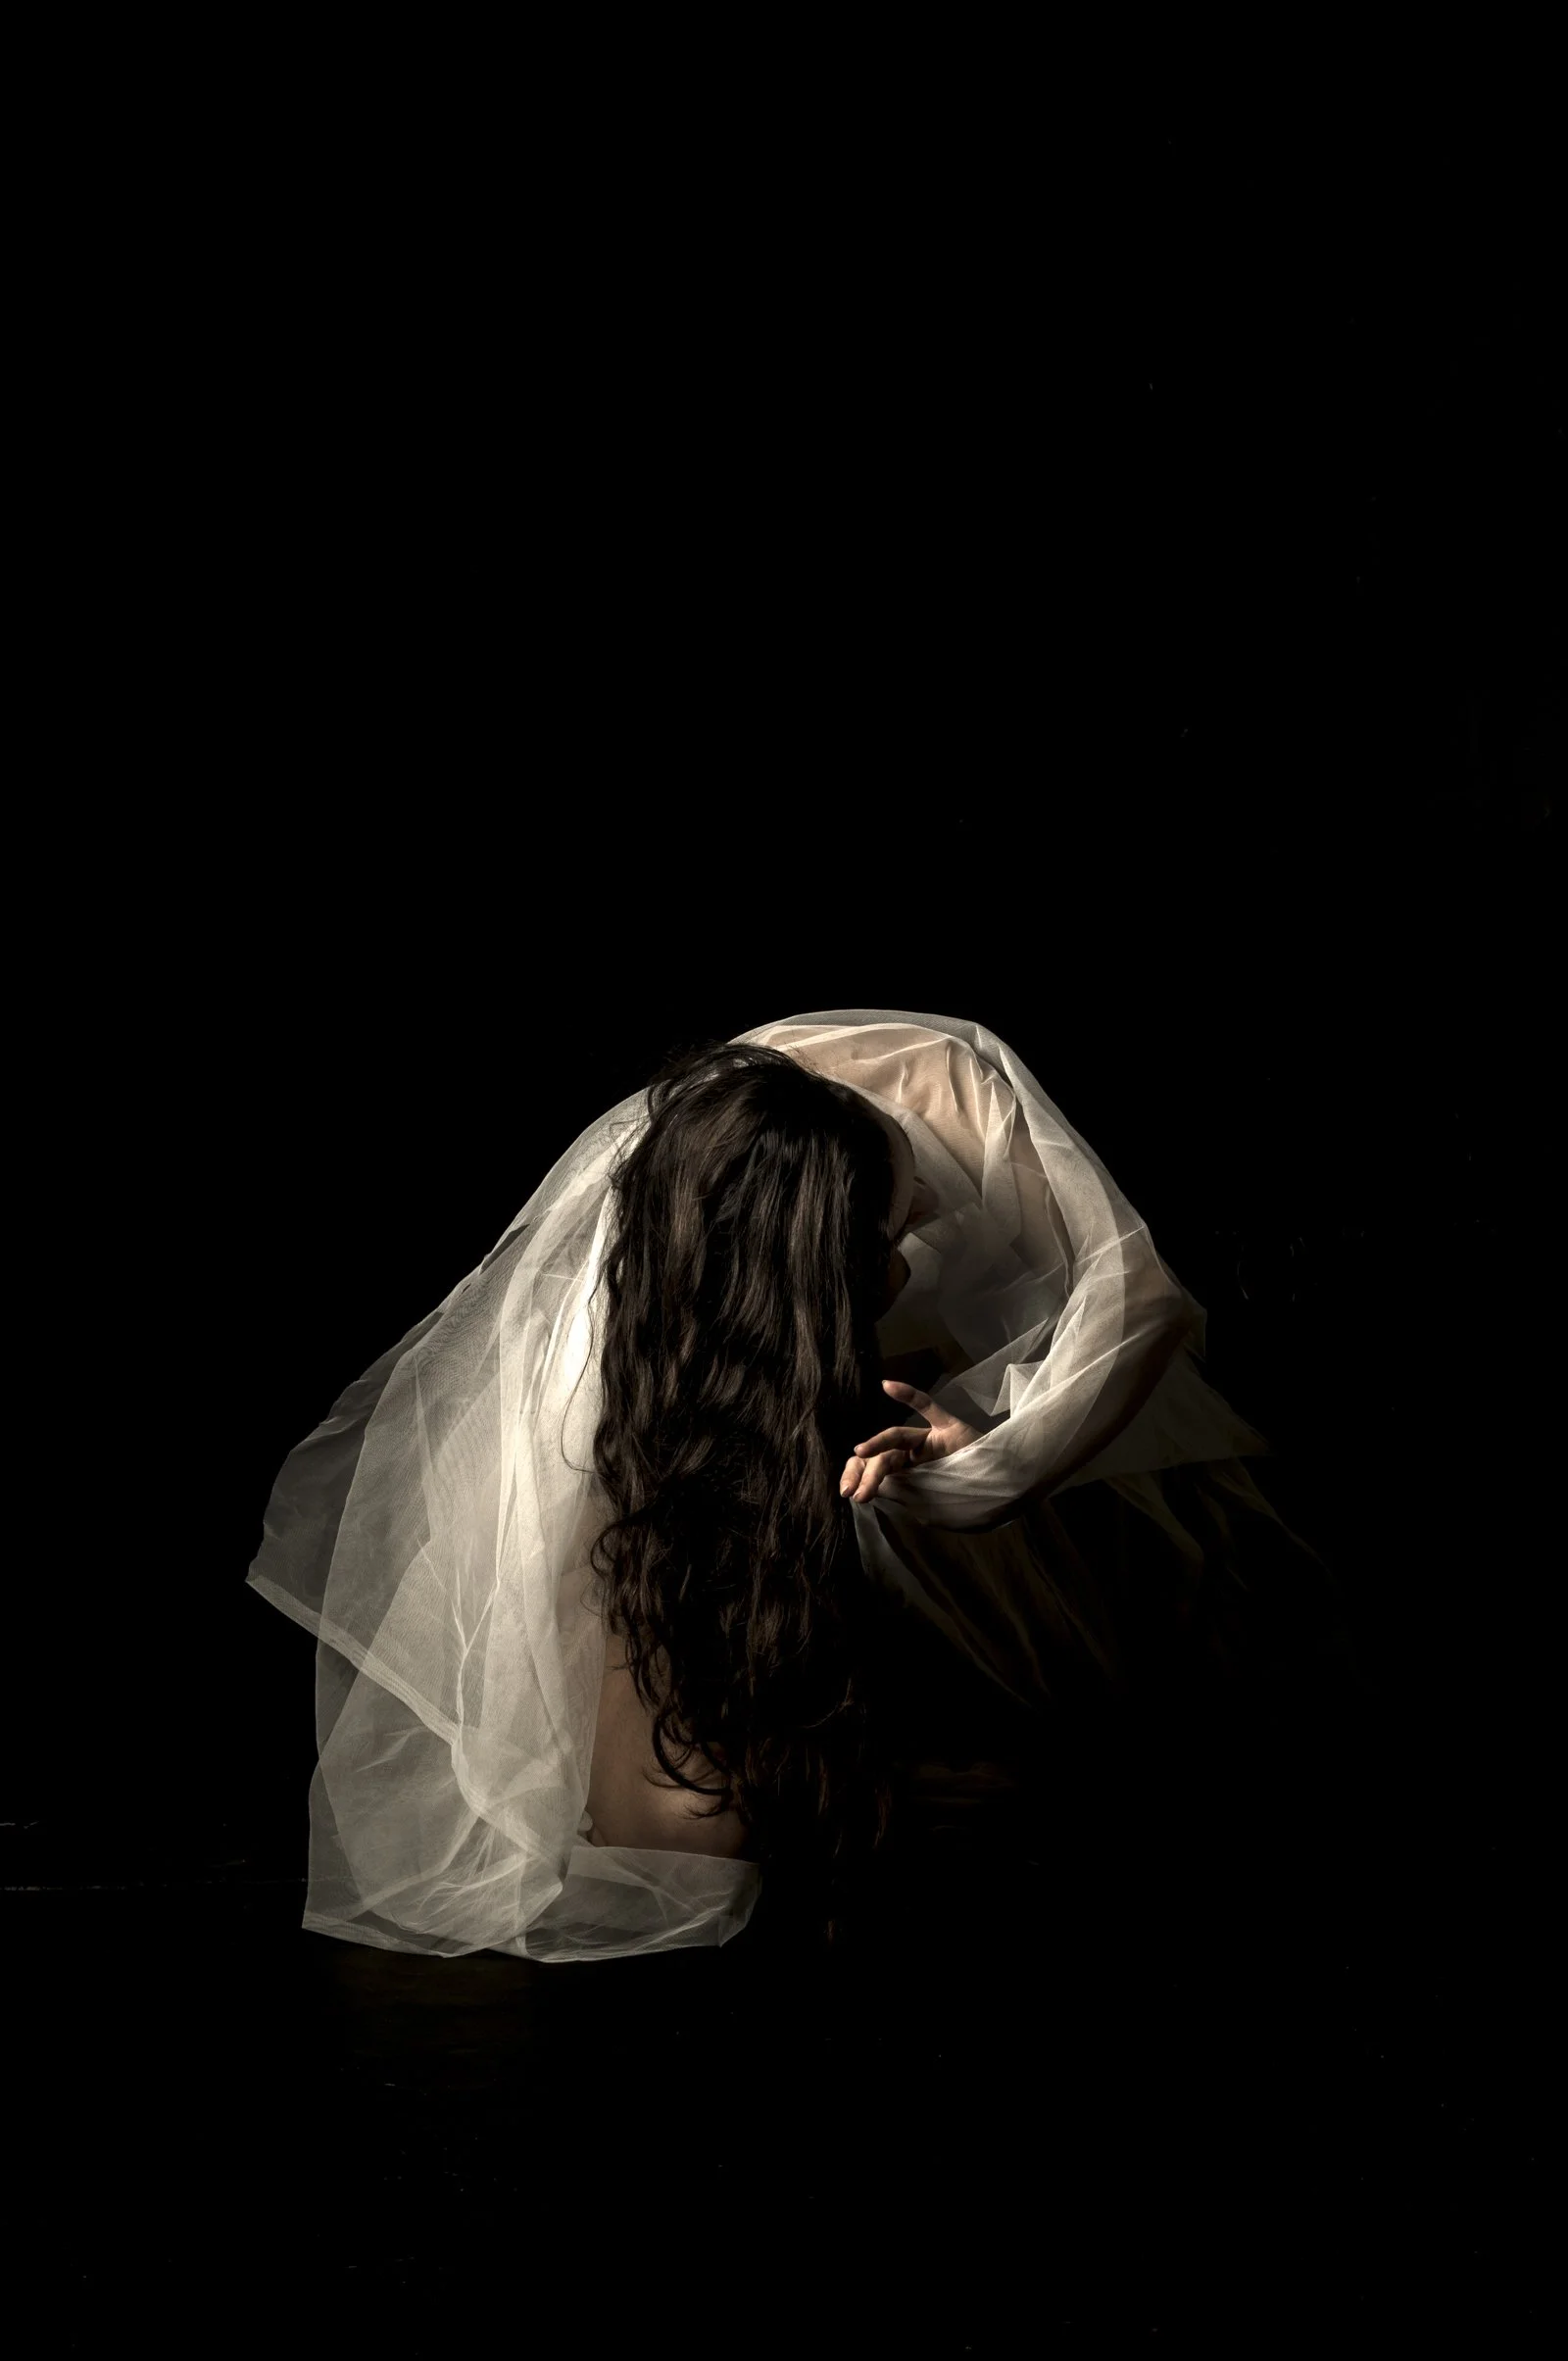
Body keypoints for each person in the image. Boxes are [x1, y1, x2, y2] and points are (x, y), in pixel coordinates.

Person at [246, 1008, 1365, 1962]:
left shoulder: (942, 1087)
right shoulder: (643, 1323)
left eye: (895, 1224)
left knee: (1167, 1658)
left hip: (1028, 1357)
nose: (912, 1243)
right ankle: (818, 1731)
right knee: (697, 1824)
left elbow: (1141, 1301)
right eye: (883, 1248)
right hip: (796, 1380)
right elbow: (660, 1826)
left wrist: (996, 1461)